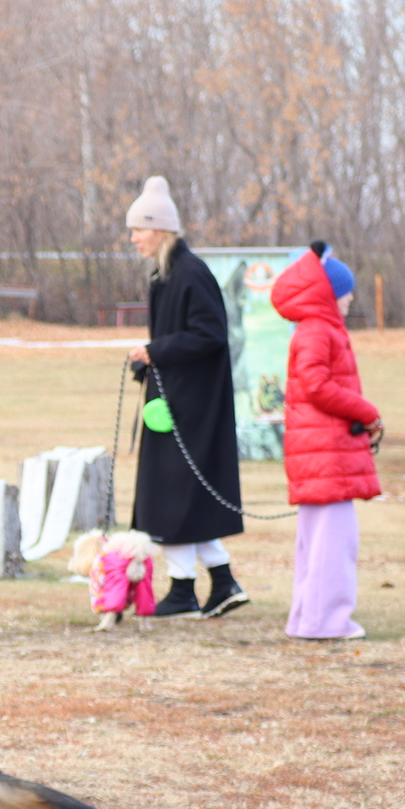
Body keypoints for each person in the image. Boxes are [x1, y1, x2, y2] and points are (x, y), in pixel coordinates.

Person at [123, 176, 247, 618]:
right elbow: (183, 339)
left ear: (159, 229)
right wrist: (149, 362)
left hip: (190, 410)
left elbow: (209, 335)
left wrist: (157, 350)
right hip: (174, 403)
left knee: (171, 498)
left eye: (138, 229)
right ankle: (223, 583)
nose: (133, 238)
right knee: (183, 500)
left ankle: (182, 591)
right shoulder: (168, 274)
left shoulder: (190, 273)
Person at [271, 247, 382, 640]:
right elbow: (317, 385)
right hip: (326, 454)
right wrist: (366, 412)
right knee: (334, 544)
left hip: (321, 453)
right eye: (345, 291)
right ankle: (327, 622)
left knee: (318, 544)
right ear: (328, 293)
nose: (350, 297)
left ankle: (307, 619)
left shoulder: (315, 326)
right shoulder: (319, 328)